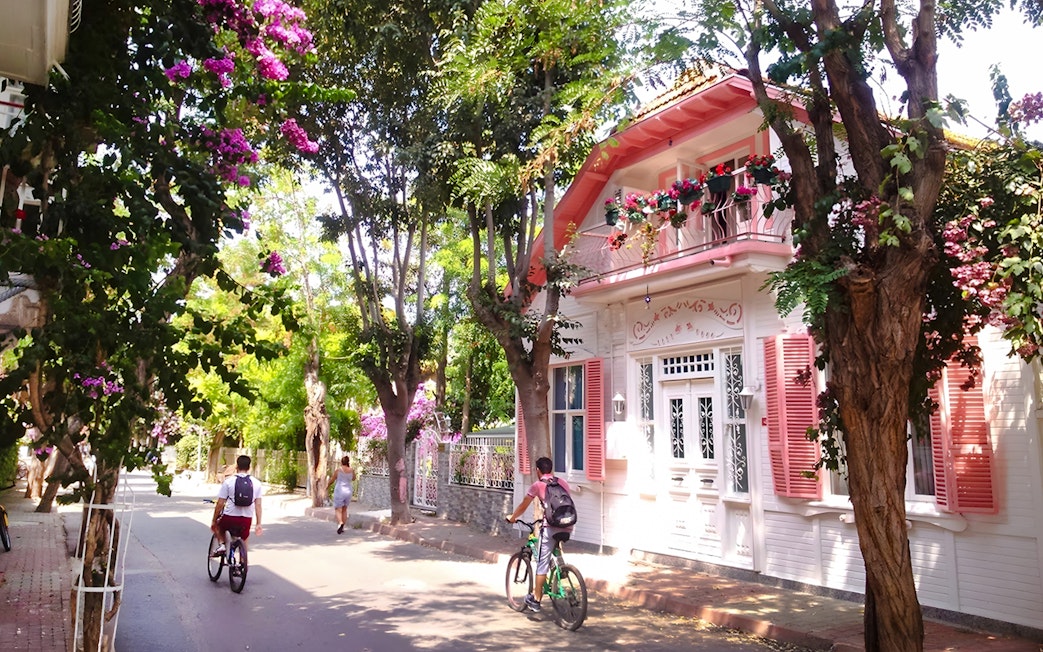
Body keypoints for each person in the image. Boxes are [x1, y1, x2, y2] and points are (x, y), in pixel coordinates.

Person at [506, 456, 574, 613]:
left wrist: (513, 518)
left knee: (542, 562)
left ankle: (536, 600)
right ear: (551, 469)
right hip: (568, 524)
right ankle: (561, 569)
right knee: (552, 550)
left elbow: (524, 505)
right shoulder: (562, 483)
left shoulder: (538, 485)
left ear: (538, 470)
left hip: (551, 526)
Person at [211, 455, 263, 554]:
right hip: (246, 519)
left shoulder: (228, 481)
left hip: (230, 517)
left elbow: (220, 504)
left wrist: (214, 520)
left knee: (218, 526)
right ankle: (244, 561)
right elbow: (258, 505)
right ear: (249, 467)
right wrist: (258, 523)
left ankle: (222, 545)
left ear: (236, 467)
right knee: (245, 536)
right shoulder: (256, 483)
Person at [332, 455, 354, 534]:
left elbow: (332, 479)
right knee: (344, 509)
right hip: (348, 491)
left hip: (340, 491)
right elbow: (354, 478)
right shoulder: (351, 470)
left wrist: (327, 486)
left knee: (338, 509)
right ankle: (343, 527)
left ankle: (340, 523)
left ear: (341, 462)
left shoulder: (338, 470)